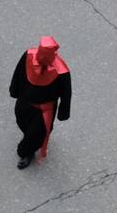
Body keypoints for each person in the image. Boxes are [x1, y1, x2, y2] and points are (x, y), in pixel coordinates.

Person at [8, 36, 71, 169]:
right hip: (24, 102)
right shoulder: (28, 55)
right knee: (22, 122)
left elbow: (66, 92)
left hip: (44, 110)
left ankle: (26, 151)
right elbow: (18, 72)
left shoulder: (61, 71)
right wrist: (14, 91)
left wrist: (63, 112)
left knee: (36, 134)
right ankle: (28, 139)